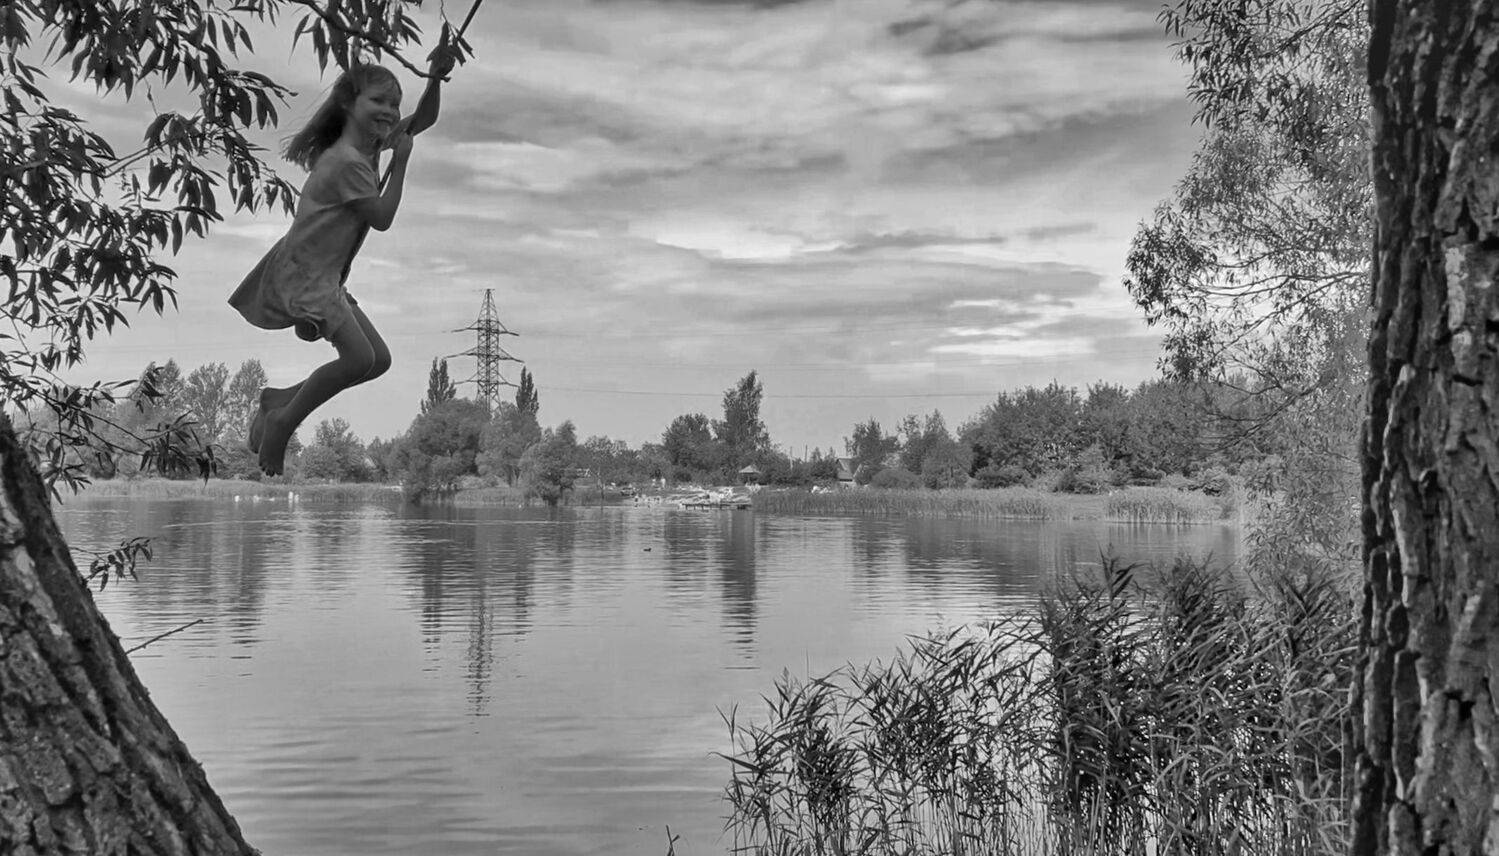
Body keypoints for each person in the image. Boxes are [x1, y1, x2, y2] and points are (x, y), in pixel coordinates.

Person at [230, 43, 457, 475]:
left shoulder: (367, 147)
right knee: (357, 360)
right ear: (350, 103)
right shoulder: (346, 162)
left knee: (378, 360)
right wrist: (402, 163)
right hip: (307, 274)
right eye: (379, 101)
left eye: (394, 104)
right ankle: (282, 422)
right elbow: (382, 218)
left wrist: (435, 77)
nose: (390, 111)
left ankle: (280, 399)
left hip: (323, 273)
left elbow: (423, 120)